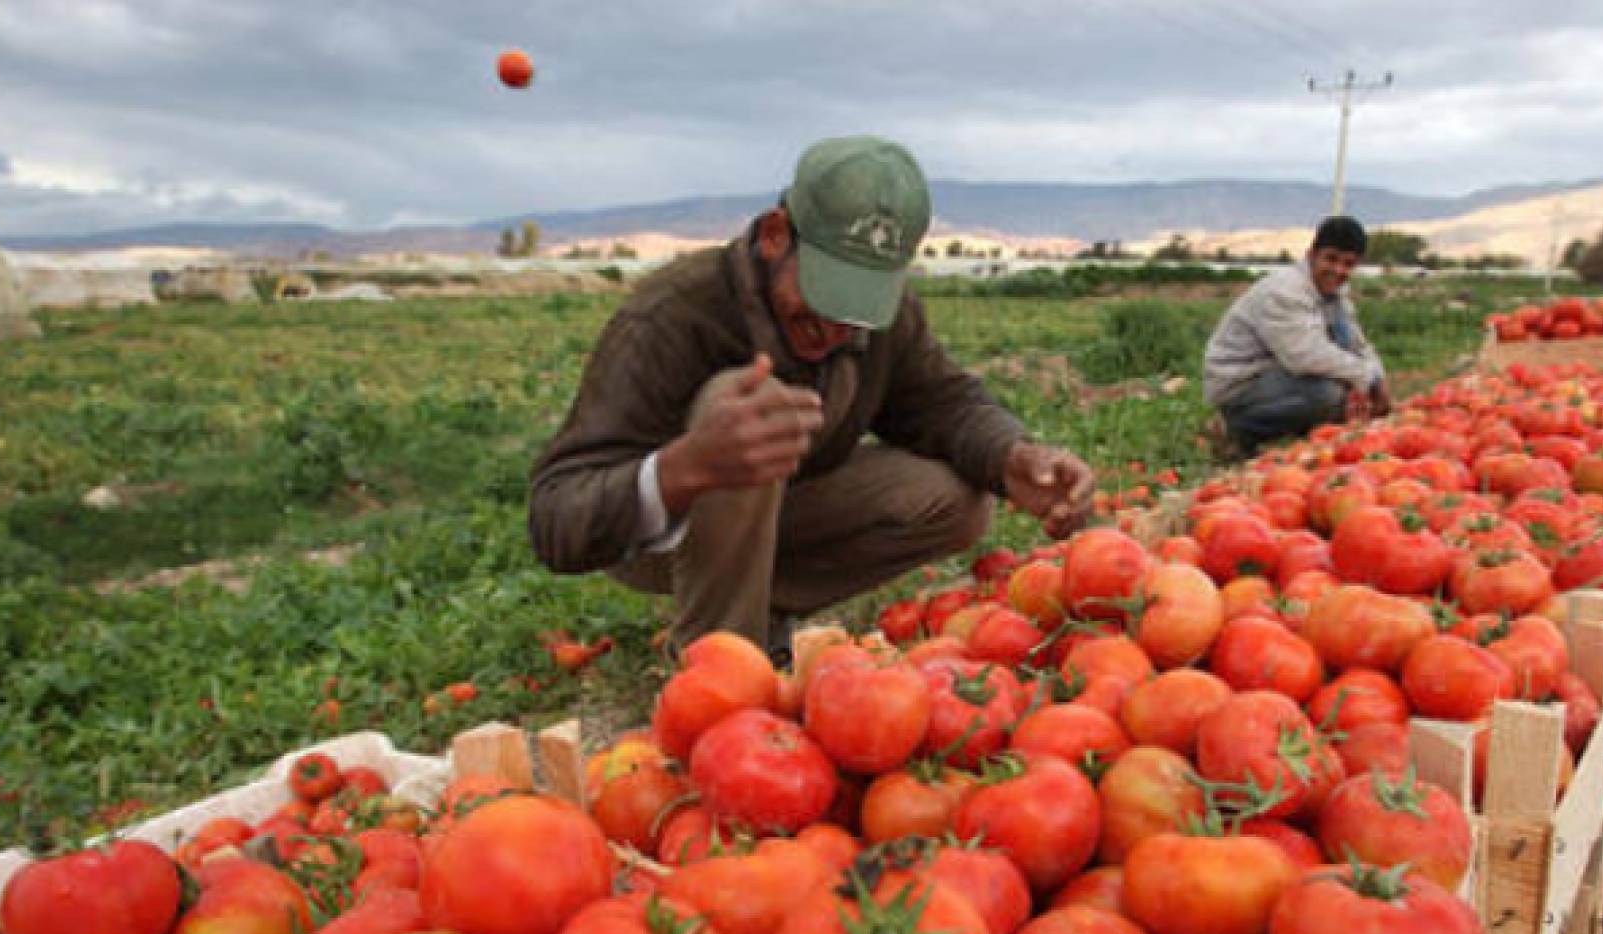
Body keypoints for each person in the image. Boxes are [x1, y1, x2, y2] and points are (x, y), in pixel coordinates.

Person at [528, 135, 1095, 658]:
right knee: (746, 403)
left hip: (786, 511)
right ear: (775, 235)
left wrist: (1012, 455)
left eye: (857, 307)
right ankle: (720, 663)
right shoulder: (669, 319)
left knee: (954, 499)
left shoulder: (877, 317)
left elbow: (939, 401)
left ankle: (765, 607)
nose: (835, 329)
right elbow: (556, 519)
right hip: (664, 535)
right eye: (823, 294)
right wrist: (685, 467)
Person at [1203, 215, 1391, 457]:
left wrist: (1378, 378)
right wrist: (1366, 379)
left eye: (1347, 264)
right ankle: (1235, 428)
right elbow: (1306, 355)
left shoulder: (1335, 294)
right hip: (1242, 382)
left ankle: (1298, 436)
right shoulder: (1284, 291)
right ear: (1312, 254)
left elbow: (1357, 344)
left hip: (1281, 376)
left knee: (1347, 388)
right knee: (1329, 395)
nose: (1338, 270)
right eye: (1331, 259)